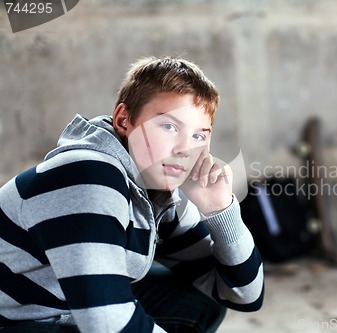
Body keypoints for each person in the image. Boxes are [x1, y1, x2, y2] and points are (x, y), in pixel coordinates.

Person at [0, 56, 264, 332]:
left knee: (196, 301)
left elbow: (244, 295)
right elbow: (108, 324)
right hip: (15, 322)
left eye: (199, 135)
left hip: (66, 314)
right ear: (124, 120)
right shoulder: (87, 175)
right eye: (169, 127)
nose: (185, 150)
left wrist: (222, 210)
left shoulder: (156, 191)